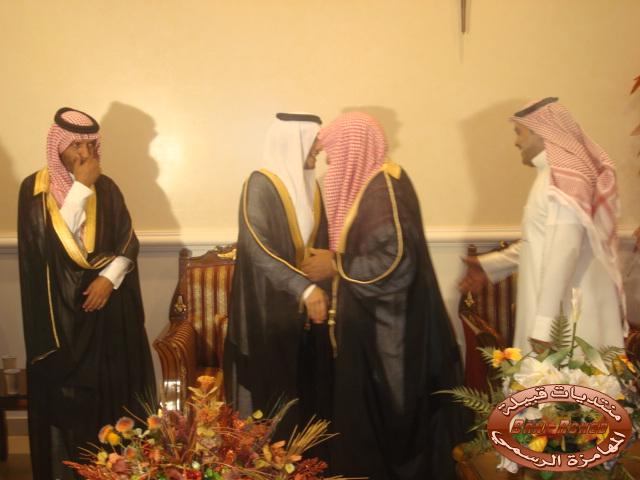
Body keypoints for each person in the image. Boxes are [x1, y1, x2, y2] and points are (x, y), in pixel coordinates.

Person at [301, 112, 468, 479]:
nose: (331, 165)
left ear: (352, 149)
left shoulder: (385, 190)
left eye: (334, 155)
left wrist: (336, 264)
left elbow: (396, 260)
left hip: (393, 335)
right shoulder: (372, 187)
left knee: (394, 420)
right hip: (372, 327)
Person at [17, 107, 156, 480]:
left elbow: (128, 241)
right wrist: (80, 187)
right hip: (62, 321)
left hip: (107, 314)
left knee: (112, 400)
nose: (83, 152)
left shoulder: (107, 187)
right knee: (71, 406)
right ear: (57, 145)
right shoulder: (34, 190)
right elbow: (49, 249)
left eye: (89, 144)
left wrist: (108, 279)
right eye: (74, 144)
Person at [459, 97, 626, 351]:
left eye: (519, 132)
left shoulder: (564, 182)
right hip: (557, 318)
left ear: (540, 132)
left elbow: (564, 252)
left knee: (566, 378)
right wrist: (489, 265)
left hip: (567, 326)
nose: (516, 142)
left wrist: (544, 327)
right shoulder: (550, 177)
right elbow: (540, 241)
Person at [223, 113, 332, 438]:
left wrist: (324, 287)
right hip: (266, 317)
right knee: (269, 411)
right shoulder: (259, 185)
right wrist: (304, 289)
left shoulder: (312, 188)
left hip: (304, 321)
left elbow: (321, 246)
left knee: (307, 404)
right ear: (293, 142)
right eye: (313, 141)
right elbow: (257, 247)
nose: (319, 148)